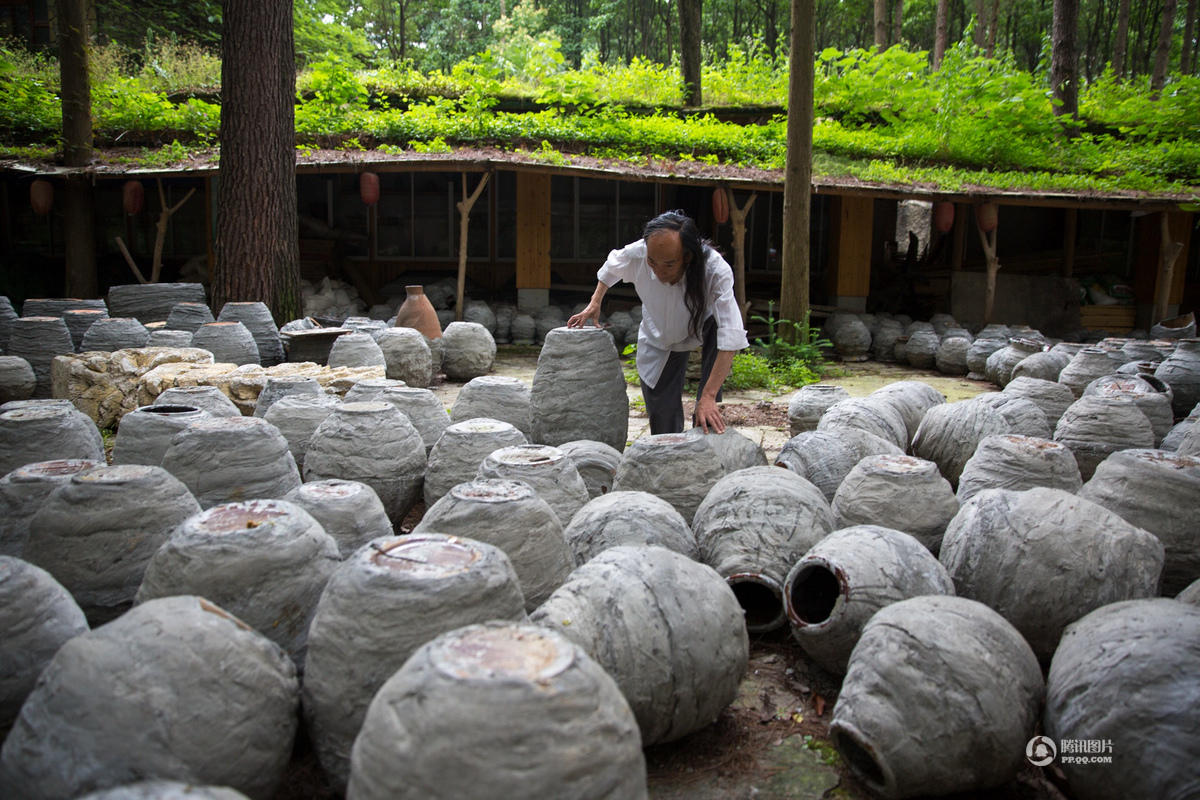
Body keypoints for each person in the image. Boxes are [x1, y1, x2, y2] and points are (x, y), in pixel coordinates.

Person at [567, 210, 749, 435]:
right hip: (661, 333)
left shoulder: (714, 270)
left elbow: (730, 335)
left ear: (688, 257)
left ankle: (706, 419)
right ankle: (670, 449)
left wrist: (709, 396)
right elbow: (612, 265)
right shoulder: (641, 252)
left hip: (704, 323)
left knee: (707, 404)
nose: (659, 272)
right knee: (662, 416)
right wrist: (595, 302)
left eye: (669, 265)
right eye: (652, 262)